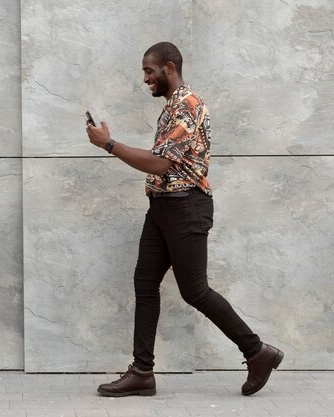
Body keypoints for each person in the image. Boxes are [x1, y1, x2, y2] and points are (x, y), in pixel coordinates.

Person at [85, 42, 283, 397]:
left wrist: (109, 144)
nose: (145, 78)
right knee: (145, 283)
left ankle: (257, 352)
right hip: (162, 207)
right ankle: (142, 372)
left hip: (185, 207)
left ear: (170, 68)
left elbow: (160, 163)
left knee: (195, 291)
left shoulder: (187, 107)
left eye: (149, 71)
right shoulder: (171, 108)